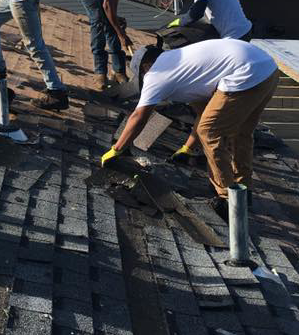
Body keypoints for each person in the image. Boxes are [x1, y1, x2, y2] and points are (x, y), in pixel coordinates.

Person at [101, 39, 279, 212]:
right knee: (241, 133)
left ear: (146, 67)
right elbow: (205, 114)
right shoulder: (185, 69)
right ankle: (243, 190)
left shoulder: (156, 75)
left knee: (210, 132)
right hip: (267, 70)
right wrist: (187, 148)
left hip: (245, 71)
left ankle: (228, 199)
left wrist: (118, 149)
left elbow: (139, 116)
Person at [71, 0, 155, 91]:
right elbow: (107, 5)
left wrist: (115, 19)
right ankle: (100, 73)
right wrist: (121, 35)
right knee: (98, 20)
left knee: (111, 23)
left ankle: (118, 72)